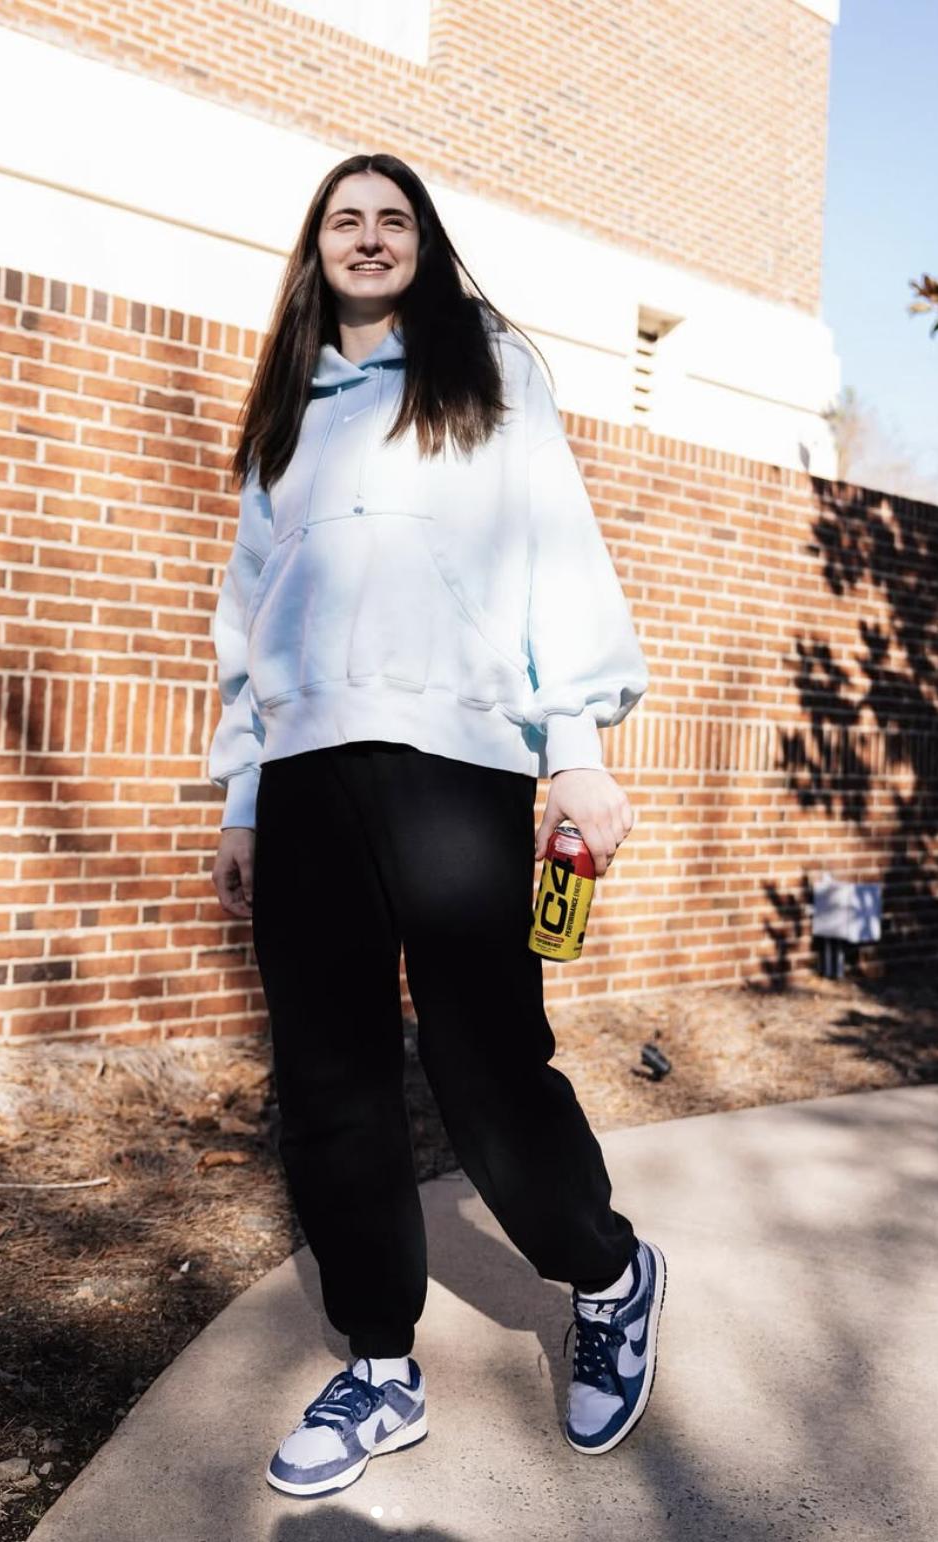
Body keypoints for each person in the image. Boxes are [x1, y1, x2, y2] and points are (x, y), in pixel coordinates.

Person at [208, 152, 664, 1499]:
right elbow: (248, 611)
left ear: (423, 241)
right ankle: (380, 1366)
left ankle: (607, 1273)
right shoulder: (287, 408)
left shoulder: (492, 373)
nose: (367, 237)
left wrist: (574, 752)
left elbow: (552, 551)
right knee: (328, 1080)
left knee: (484, 1065)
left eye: (391, 218)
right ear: (316, 249)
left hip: (459, 758)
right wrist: (243, 796)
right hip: (305, 772)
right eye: (343, 220)